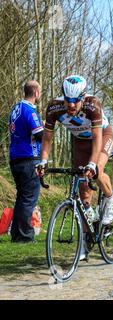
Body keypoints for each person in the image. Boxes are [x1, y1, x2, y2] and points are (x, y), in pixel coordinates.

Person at [38, 75, 113, 258]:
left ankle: (110, 199)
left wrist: (92, 164)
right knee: (83, 193)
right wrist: (43, 161)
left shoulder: (93, 104)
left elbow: (98, 137)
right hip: (80, 142)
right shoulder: (54, 107)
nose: (71, 105)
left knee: (96, 171)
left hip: (102, 137)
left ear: (83, 97)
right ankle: (85, 238)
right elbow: (47, 137)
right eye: (68, 101)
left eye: (75, 101)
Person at [8, 81, 44, 243]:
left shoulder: (15, 109)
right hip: (29, 158)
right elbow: (39, 134)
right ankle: (26, 236)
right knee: (29, 199)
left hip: (15, 158)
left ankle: (16, 234)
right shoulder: (30, 111)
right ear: (36, 92)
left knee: (22, 198)